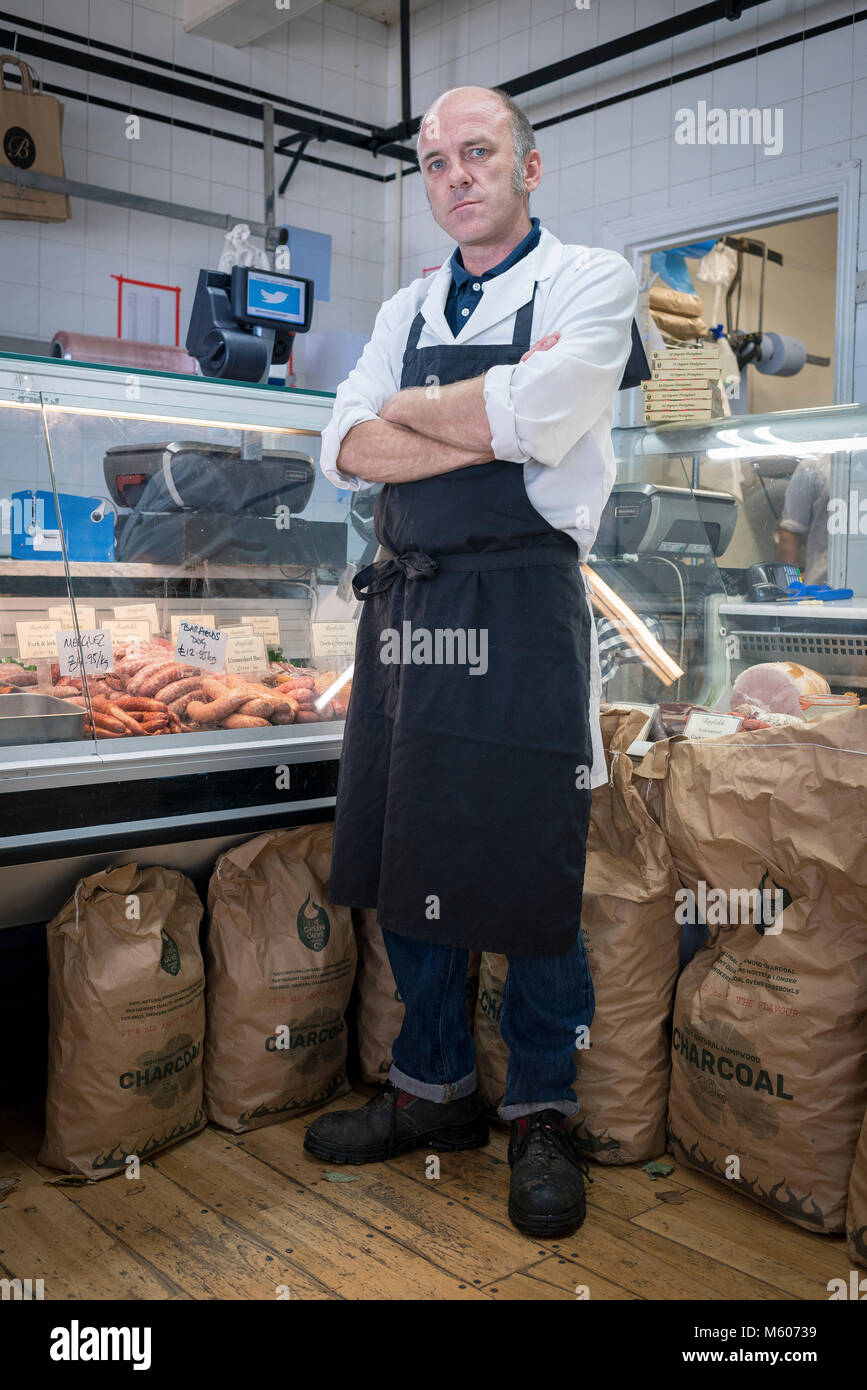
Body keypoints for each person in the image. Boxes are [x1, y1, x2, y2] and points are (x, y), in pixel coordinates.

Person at [306, 85, 638, 1240]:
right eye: (436, 160)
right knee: (415, 854)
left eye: (478, 153)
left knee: (534, 873)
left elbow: (540, 415)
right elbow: (346, 448)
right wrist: (463, 412)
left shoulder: (595, 281)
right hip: (410, 613)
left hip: (524, 609)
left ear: (528, 168)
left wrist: (420, 418)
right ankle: (432, 1087)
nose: (455, 175)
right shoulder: (402, 305)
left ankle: (544, 1108)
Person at [776, 456, 831, 584]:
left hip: (821, 586)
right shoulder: (814, 464)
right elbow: (790, 534)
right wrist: (787, 589)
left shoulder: (815, 464)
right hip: (820, 587)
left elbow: (790, 533)